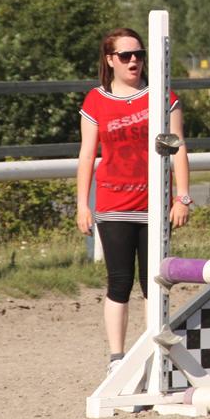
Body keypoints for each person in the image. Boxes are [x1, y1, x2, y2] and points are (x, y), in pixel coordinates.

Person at [76, 27, 192, 376]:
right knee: (119, 282)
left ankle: (153, 353)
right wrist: (83, 203)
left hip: (154, 205)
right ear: (110, 60)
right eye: (125, 56)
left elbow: (179, 147)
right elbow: (86, 155)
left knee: (153, 283)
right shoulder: (95, 100)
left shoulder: (162, 96)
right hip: (113, 204)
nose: (133, 62)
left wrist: (182, 197)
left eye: (138, 55)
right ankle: (116, 359)